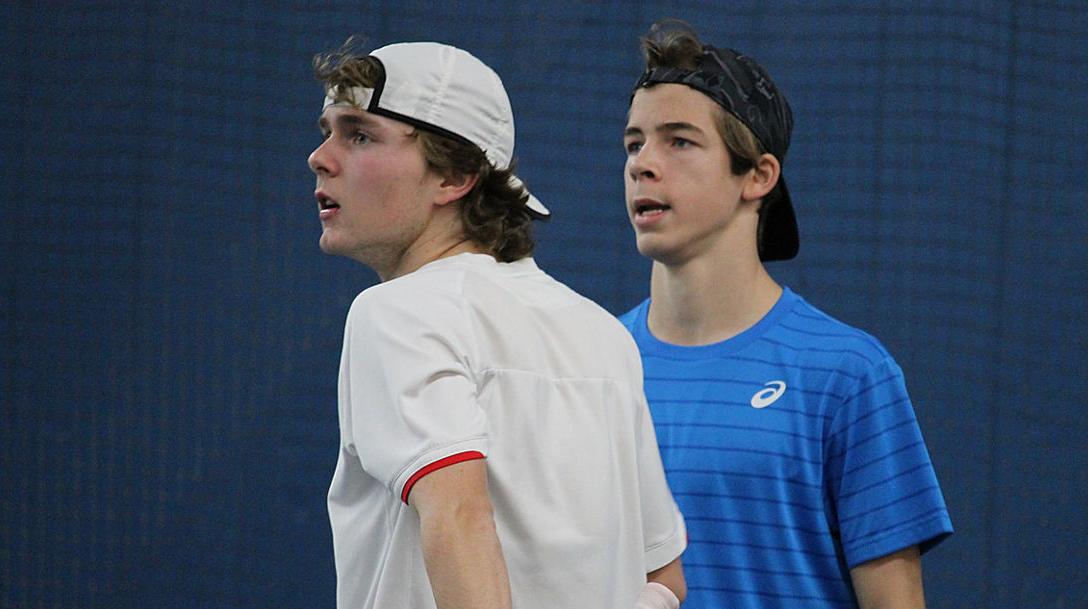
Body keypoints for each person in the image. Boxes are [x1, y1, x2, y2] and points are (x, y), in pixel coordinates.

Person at [308, 38, 687, 609]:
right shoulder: (604, 335)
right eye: (327, 131)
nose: (321, 157)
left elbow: (459, 516)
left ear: (454, 175)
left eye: (359, 135)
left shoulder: (395, 312)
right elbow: (663, 579)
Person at [618, 20, 953, 609]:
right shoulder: (594, 364)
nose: (642, 164)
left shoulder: (847, 374)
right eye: (634, 143)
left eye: (679, 141)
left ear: (758, 176)